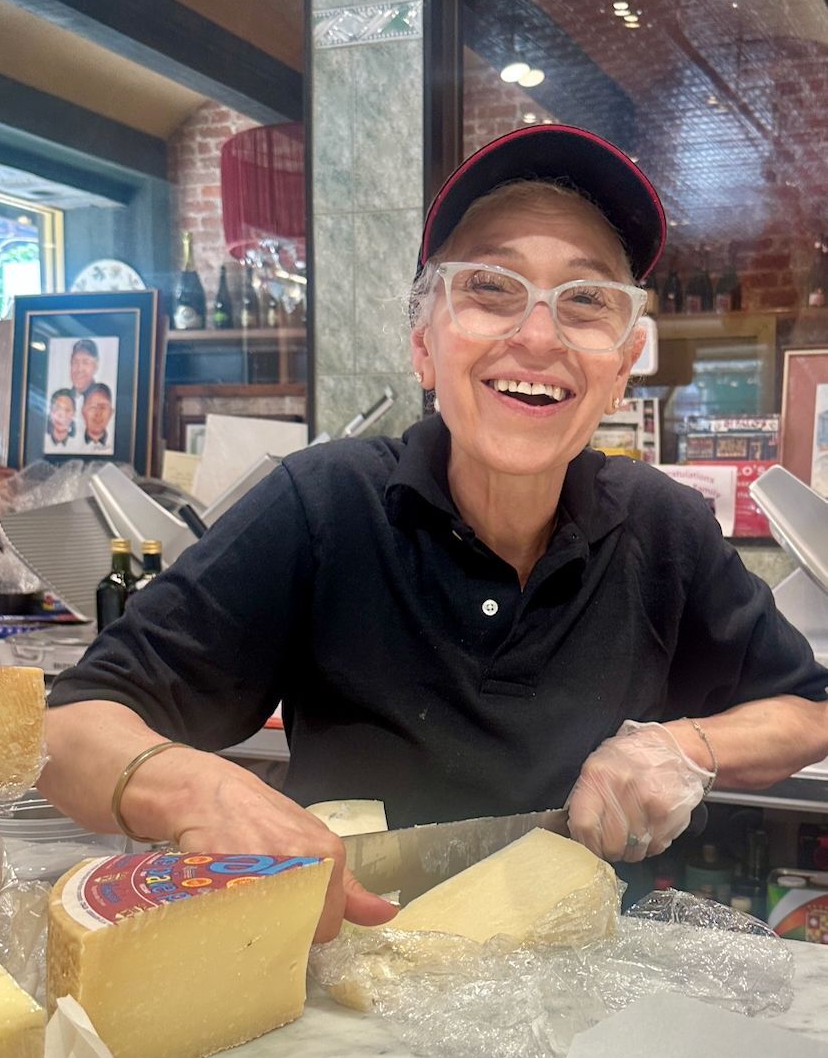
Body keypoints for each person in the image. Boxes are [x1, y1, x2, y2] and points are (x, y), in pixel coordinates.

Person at [42, 124, 828, 944]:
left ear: (623, 362)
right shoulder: (325, 505)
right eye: (491, 287)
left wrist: (687, 747)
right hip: (346, 999)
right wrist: (193, 790)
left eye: (585, 300)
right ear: (423, 345)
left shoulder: (661, 524)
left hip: (587, 997)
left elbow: (808, 709)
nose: (537, 335)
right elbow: (67, 732)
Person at [81, 382, 114, 453]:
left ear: (111, 413)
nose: (98, 413)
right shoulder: (69, 446)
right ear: (83, 412)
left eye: (103, 407)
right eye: (92, 407)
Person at [68, 338, 100, 405]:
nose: (79, 369)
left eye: (86, 362)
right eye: (75, 362)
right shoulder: (63, 399)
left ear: (95, 367)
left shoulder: (101, 400)